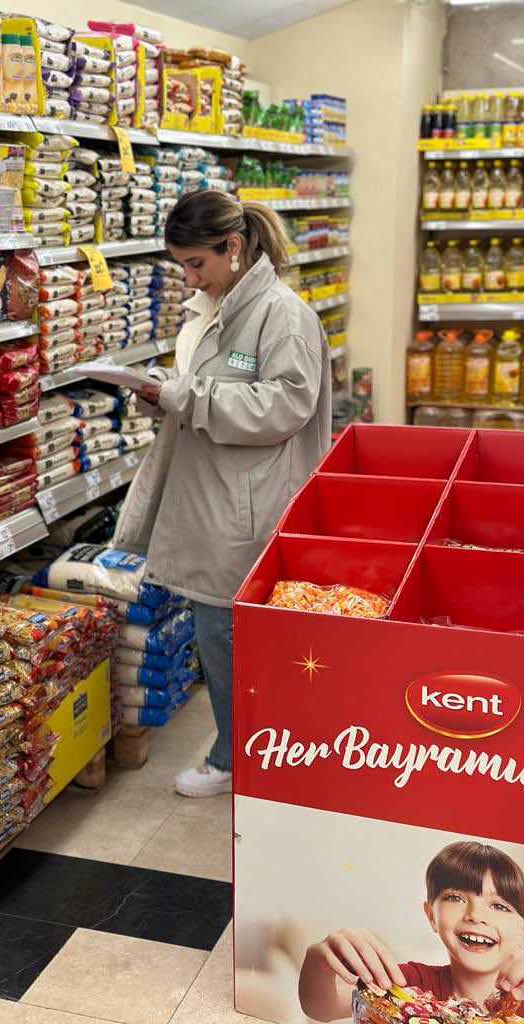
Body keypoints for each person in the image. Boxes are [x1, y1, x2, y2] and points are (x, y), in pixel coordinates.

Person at [113, 189, 331, 799]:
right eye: (181, 266)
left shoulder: (280, 315)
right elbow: (212, 389)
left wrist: (182, 397)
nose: (190, 276)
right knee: (219, 628)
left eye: (196, 264)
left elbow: (284, 404)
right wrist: (160, 391)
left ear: (233, 248)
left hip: (250, 502)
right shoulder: (215, 307)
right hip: (217, 494)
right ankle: (246, 751)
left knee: (226, 632)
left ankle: (238, 758)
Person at [298, 841, 524, 1020]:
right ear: (431, 916)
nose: (476, 915)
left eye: (499, 906)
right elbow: (323, 1010)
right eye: (456, 898)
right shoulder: (411, 984)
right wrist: (318, 964)